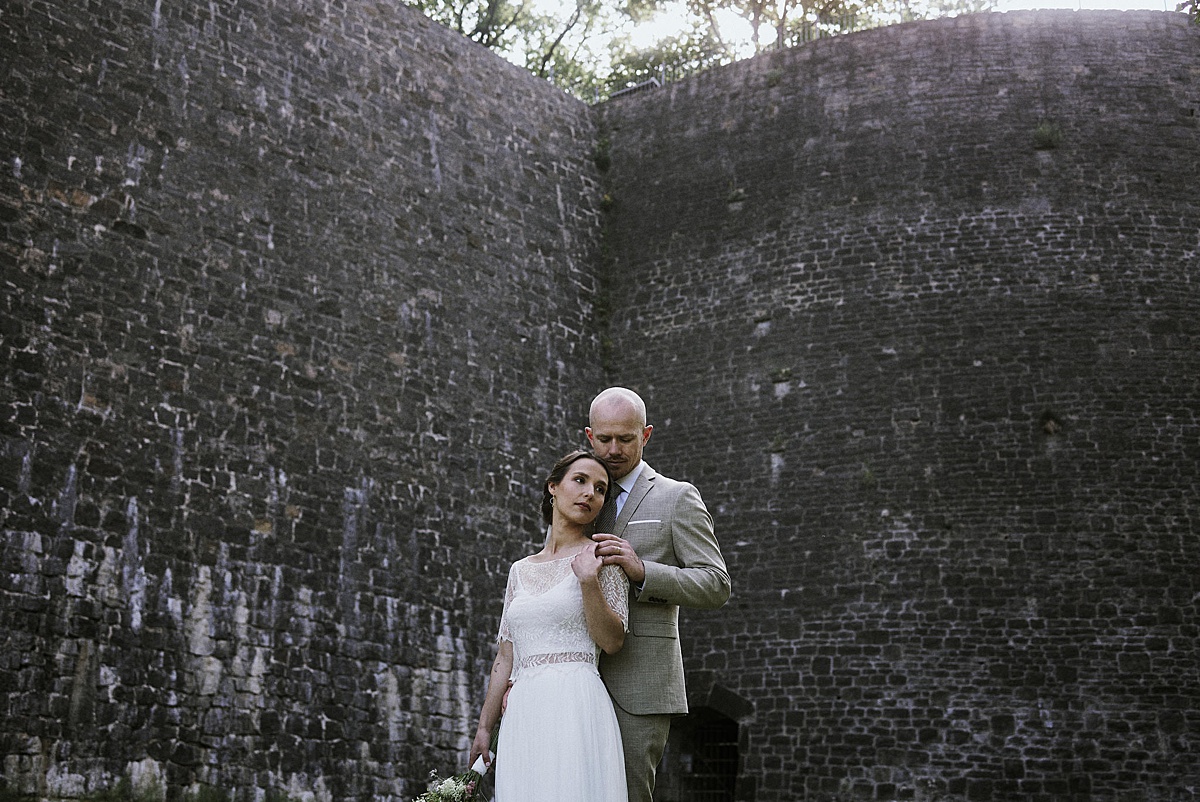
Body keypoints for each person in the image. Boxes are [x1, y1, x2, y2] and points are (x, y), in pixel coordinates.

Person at [587, 387, 731, 802]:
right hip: (572, 680)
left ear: (646, 435)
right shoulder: (574, 497)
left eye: (626, 439)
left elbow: (715, 584)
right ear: (588, 435)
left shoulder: (676, 497)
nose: (613, 449)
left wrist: (643, 571)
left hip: (641, 688)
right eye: (604, 438)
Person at [470, 450, 630, 802]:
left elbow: (612, 641)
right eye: (580, 480)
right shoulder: (520, 570)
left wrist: (589, 581)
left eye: (601, 489)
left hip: (576, 703)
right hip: (524, 710)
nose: (590, 493)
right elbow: (505, 657)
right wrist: (485, 727)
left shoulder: (604, 558)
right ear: (553, 487)